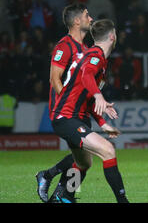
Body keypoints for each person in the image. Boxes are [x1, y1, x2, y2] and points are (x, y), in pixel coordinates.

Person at [49, 19, 127, 203]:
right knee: (108, 150)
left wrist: (103, 123)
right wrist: (99, 96)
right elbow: (86, 74)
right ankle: (123, 201)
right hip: (67, 117)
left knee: (84, 163)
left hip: (74, 117)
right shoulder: (96, 55)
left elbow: (88, 97)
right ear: (112, 36)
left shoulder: (97, 57)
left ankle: (63, 198)